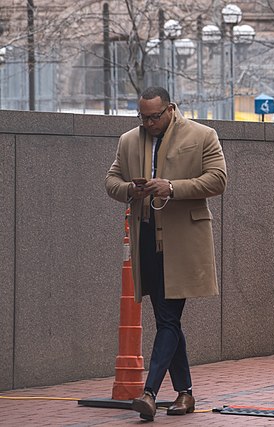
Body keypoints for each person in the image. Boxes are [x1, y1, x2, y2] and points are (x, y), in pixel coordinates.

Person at [105, 87, 227, 421]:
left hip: (183, 242)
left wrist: (171, 187)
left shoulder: (203, 135)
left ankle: (150, 392)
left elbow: (218, 180)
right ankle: (185, 394)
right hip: (147, 239)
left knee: (169, 319)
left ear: (170, 109)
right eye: (142, 117)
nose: (148, 123)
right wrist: (131, 189)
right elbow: (111, 179)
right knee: (166, 321)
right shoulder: (129, 140)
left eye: (153, 117)